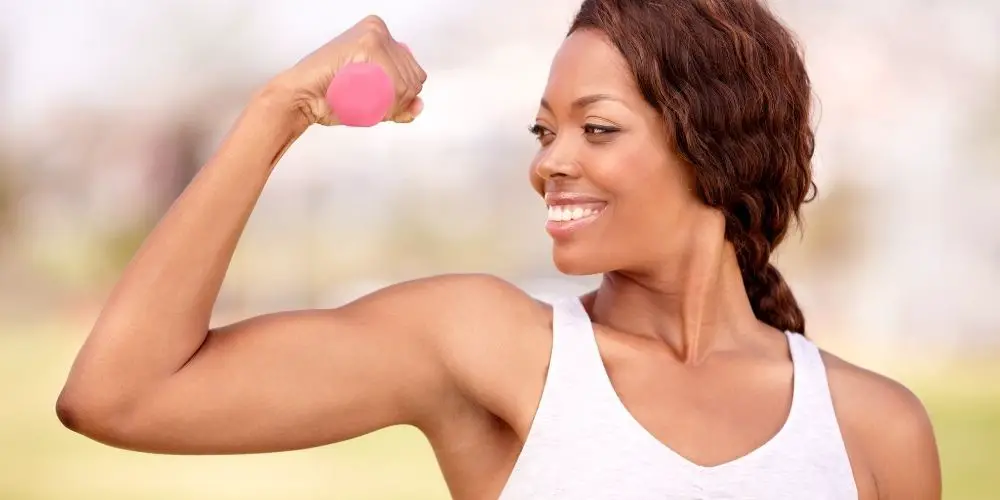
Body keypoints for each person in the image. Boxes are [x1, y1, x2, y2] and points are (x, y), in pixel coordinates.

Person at [55, 1, 941, 498]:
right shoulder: (491, 346)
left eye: (596, 128)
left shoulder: (876, 429)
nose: (550, 163)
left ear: (717, 146)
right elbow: (119, 397)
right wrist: (279, 108)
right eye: (543, 130)